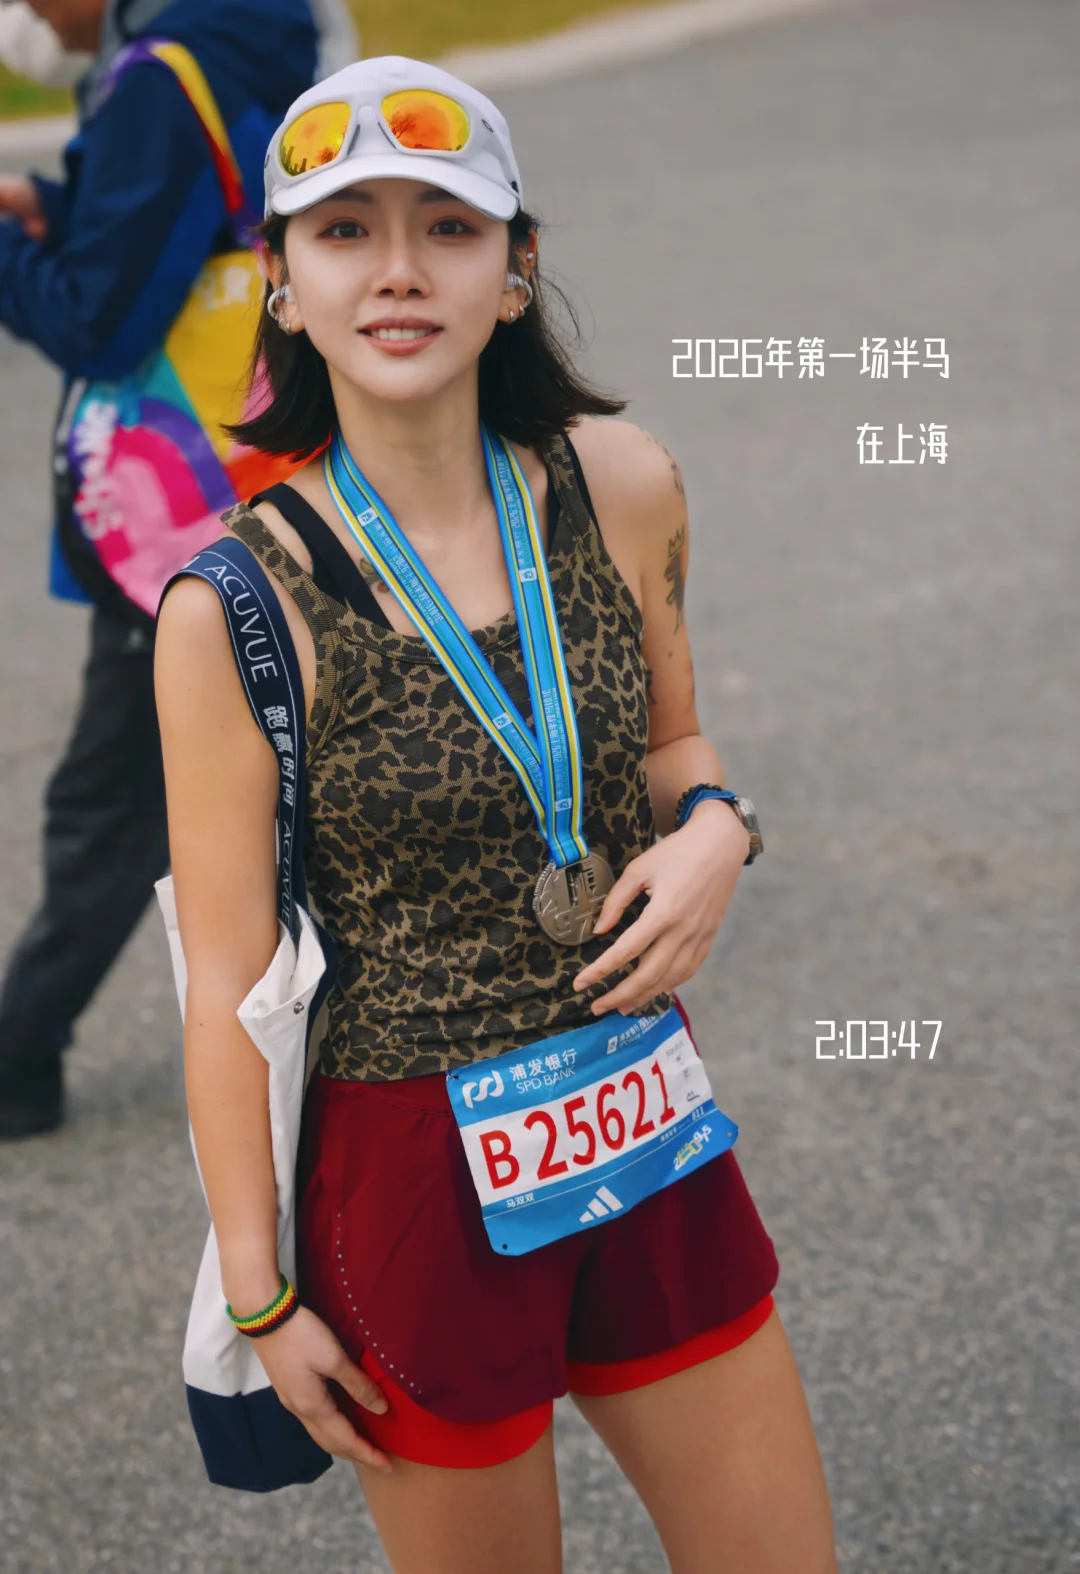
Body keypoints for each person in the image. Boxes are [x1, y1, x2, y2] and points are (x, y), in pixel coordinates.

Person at [154, 55, 839, 1573]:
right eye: (346, 231)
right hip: (412, 1172)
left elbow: (677, 748)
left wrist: (717, 827)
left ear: (516, 271)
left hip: (645, 1114)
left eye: (449, 229)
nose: (399, 271)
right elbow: (224, 980)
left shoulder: (623, 485)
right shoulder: (236, 608)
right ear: (282, 284)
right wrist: (260, 1293)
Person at [0, 0, 320, 1139]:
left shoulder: (157, 80)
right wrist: (62, 209)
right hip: (279, 475)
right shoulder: (254, 40)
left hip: (177, 519)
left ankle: (18, 1050)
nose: (25, 15)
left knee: (112, 795)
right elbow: (194, 215)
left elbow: (101, 323)